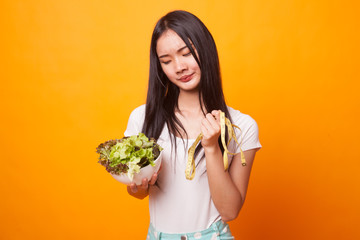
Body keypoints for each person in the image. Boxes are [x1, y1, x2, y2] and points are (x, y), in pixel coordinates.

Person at [124, 10, 262, 240]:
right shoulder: (143, 118)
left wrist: (211, 147)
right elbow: (139, 192)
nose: (179, 67)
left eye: (186, 53)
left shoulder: (241, 126)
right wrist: (137, 187)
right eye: (166, 61)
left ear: (205, 50)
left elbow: (230, 211)